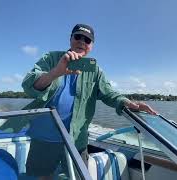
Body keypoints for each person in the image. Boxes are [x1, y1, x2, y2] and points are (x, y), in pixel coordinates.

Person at [22, 24, 157, 180]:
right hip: (44, 138)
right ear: (70, 39)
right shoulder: (51, 58)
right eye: (78, 37)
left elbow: (109, 93)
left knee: (80, 176)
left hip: (76, 140)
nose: (82, 42)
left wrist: (127, 102)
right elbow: (29, 85)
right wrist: (56, 72)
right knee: (42, 177)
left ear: (91, 46)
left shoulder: (95, 70)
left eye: (87, 40)